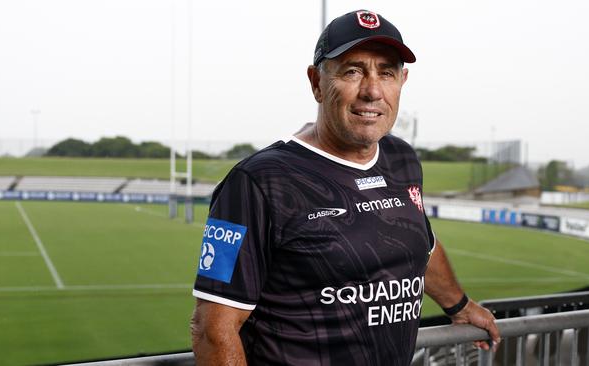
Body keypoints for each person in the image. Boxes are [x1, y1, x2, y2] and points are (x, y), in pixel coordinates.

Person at [191, 9, 500, 366]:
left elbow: (420, 248)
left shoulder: (401, 158)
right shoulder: (258, 182)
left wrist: (460, 306)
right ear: (317, 83)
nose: (371, 91)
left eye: (386, 73)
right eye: (352, 71)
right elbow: (212, 329)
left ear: (402, 82)